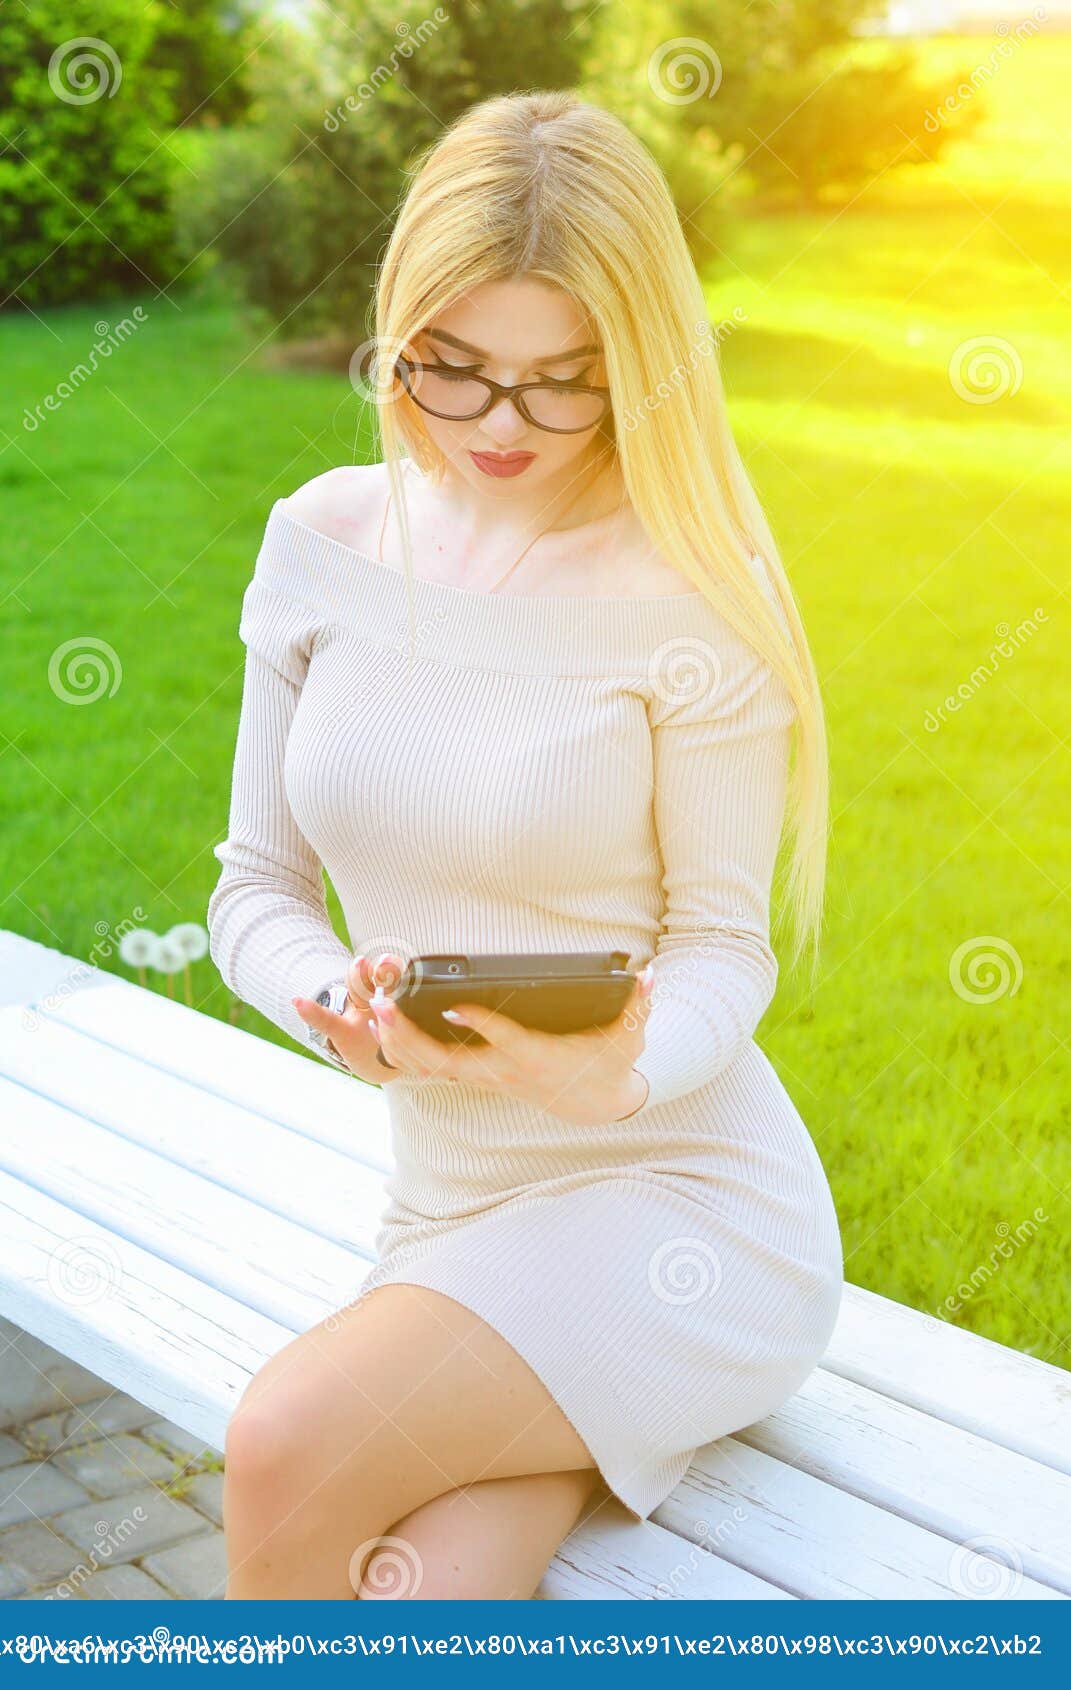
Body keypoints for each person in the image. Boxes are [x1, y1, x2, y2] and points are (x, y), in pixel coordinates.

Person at [206, 89, 843, 1601]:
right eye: (456, 370)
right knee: (406, 1583)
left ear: (639, 369)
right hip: (449, 1204)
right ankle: (571, 1414)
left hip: (688, 1204)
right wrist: (335, 1008)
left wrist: (606, 1066)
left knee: (284, 1443)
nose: (501, 426)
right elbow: (257, 887)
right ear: (397, 331)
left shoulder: (691, 592)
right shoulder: (324, 541)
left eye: (562, 383)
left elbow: (718, 945)